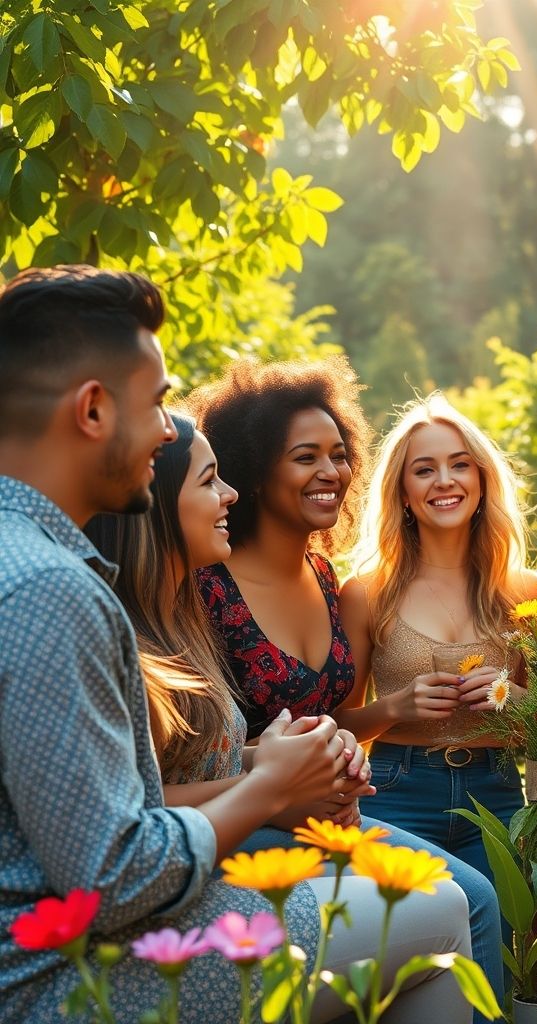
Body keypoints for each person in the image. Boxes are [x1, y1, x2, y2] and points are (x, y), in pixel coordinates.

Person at [0, 267, 343, 1022]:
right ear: (92, 409)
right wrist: (270, 787)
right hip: (44, 988)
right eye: (156, 404)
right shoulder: (45, 589)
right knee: (282, 924)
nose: (165, 432)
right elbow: (114, 877)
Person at [86, 412, 474, 1022]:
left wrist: (295, 756)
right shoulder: (138, 618)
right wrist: (277, 786)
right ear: (158, 504)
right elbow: (130, 803)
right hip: (190, 880)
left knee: (455, 900)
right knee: (448, 906)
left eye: (339, 453)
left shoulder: (185, 609)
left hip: (266, 820)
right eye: (211, 480)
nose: (229, 495)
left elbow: (207, 750)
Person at [187, 364, 503, 1016]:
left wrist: (388, 713)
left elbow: (331, 718)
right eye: (306, 457)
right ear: (252, 467)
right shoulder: (207, 583)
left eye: (339, 455)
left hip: (331, 817)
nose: (331, 471)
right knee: (463, 901)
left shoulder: (325, 576)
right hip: (243, 823)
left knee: (475, 896)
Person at [339, 393, 537, 878]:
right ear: (403, 491)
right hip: (394, 790)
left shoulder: (526, 591)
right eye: (425, 469)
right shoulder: (367, 591)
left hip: (497, 793)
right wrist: (394, 708)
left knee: (500, 938)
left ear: (481, 480)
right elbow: (339, 724)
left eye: (459, 465)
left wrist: (511, 698)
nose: (445, 481)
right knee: (407, 938)